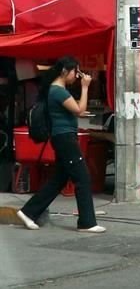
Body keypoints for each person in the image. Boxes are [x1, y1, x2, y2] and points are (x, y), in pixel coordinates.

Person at [17, 56, 105, 233]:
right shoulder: (58, 91)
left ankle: (28, 212)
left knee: (59, 179)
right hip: (65, 138)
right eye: (75, 72)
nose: (76, 76)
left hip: (62, 137)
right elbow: (79, 110)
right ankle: (87, 222)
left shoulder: (56, 90)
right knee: (82, 177)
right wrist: (85, 87)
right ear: (65, 71)